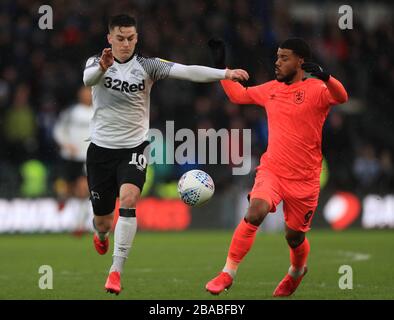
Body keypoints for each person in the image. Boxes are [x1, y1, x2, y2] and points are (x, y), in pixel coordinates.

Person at [82, 14, 249, 295]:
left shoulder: (148, 66)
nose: (125, 44)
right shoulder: (96, 63)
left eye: (131, 38)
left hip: (134, 148)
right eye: (120, 38)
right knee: (102, 221)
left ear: (137, 39)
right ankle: (101, 235)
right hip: (100, 149)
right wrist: (102, 66)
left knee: (130, 198)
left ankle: (115, 272)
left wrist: (224, 73)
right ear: (110, 38)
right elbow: (88, 80)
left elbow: (187, 70)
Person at [205, 38, 348, 297]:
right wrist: (220, 68)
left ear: (300, 62)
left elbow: (342, 97)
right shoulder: (271, 89)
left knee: (294, 237)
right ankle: (228, 272)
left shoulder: (316, 89)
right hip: (273, 170)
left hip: (305, 179)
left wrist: (327, 77)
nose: (277, 62)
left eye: (284, 58)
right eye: (277, 57)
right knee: (255, 211)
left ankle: (297, 270)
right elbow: (238, 95)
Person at [53, 86, 93, 233]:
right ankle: (62, 201)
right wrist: (66, 144)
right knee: (66, 190)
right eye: (84, 94)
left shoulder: (98, 112)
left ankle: (79, 225)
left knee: (83, 189)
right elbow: (58, 130)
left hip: (87, 157)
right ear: (79, 95)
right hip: (70, 157)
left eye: (89, 94)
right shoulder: (71, 112)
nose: (87, 96)